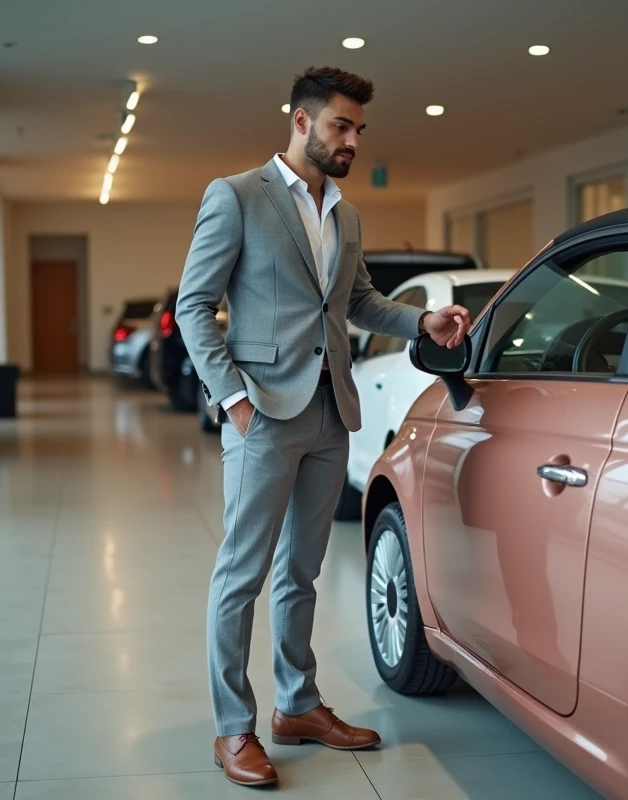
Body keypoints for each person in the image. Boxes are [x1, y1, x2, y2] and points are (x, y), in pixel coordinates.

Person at [176, 66, 470, 788]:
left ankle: (298, 704)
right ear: (301, 121)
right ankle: (232, 727)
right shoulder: (237, 197)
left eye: (359, 130)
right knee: (240, 575)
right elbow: (193, 307)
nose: (353, 141)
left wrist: (421, 321)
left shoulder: (346, 212)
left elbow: (359, 302)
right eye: (342, 125)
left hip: (329, 411)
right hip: (263, 415)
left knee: (300, 572)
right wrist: (234, 402)